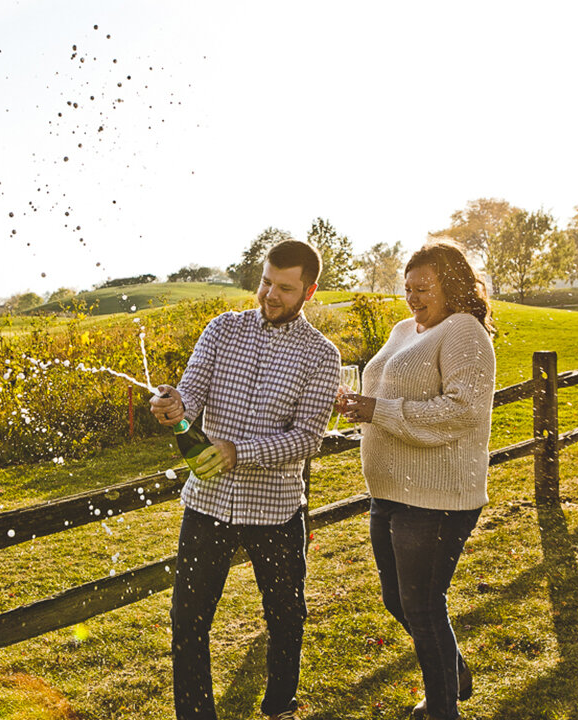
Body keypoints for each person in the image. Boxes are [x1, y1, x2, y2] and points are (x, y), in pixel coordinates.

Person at [150, 239, 341, 720]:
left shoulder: (322, 355)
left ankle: (279, 706)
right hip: (207, 502)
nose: (270, 295)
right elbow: (191, 394)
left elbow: (307, 439)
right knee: (187, 621)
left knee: (285, 617)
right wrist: (174, 404)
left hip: (275, 510)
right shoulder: (222, 330)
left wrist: (241, 452)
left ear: (309, 291)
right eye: (266, 282)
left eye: (285, 288)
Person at [341, 240, 496, 720]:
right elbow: (383, 394)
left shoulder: (464, 331)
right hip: (389, 492)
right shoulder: (403, 329)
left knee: (423, 607)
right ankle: (454, 671)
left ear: (452, 286)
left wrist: (377, 410)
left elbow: (463, 411)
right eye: (408, 288)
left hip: (436, 498)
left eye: (423, 288)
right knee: (398, 600)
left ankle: (442, 709)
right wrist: (359, 405)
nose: (412, 297)